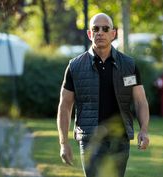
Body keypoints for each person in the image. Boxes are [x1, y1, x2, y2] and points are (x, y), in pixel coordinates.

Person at [57, 13, 150, 177]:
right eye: (95, 29)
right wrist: (63, 143)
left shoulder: (128, 66)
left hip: (120, 140)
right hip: (90, 139)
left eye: (105, 29)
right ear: (89, 34)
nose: (100, 32)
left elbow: (140, 101)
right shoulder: (75, 67)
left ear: (113, 33)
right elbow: (65, 107)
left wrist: (143, 130)